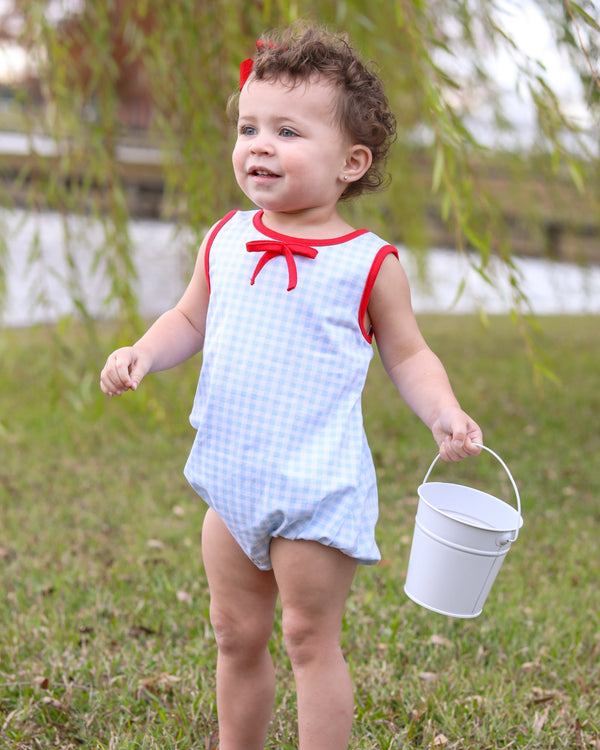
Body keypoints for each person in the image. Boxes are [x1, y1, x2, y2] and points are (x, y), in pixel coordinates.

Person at [100, 23, 482, 750]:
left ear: (351, 161)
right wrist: (144, 351)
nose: (260, 144)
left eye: (287, 130)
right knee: (234, 633)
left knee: (309, 637)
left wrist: (444, 413)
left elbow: (409, 356)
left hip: (313, 484)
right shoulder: (226, 238)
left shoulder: (368, 263)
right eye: (249, 127)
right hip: (232, 477)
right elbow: (190, 317)